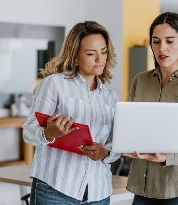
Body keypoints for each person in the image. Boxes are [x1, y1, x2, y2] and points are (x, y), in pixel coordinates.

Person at [23, 21, 120, 205]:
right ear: (75, 56)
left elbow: (117, 144)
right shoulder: (54, 84)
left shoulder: (111, 97)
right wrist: (48, 133)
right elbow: (28, 132)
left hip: (98, 192)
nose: (100, 59)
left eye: (104, 51)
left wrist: (105, 153)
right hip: (55, 189)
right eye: (91, 54)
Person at [123, 12, 178, 205]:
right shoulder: (140, 80)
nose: (162, 48)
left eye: (169, 41)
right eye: (156, 41)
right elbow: (132, 127)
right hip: (146, 185)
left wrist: (165, 156)